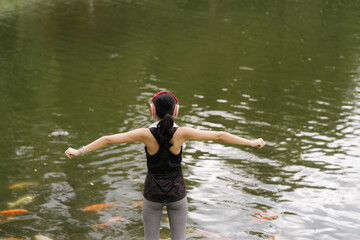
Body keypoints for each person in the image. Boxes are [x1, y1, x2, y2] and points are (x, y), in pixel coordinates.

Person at [65, 90, 265, 240]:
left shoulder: (145, 134)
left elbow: (108, 139)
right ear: (176, 110)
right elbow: (220, 136)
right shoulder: (182, 133)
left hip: (152, 196)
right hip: (177, 195)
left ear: (152, 110)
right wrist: (251, 142)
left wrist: (79, 150)